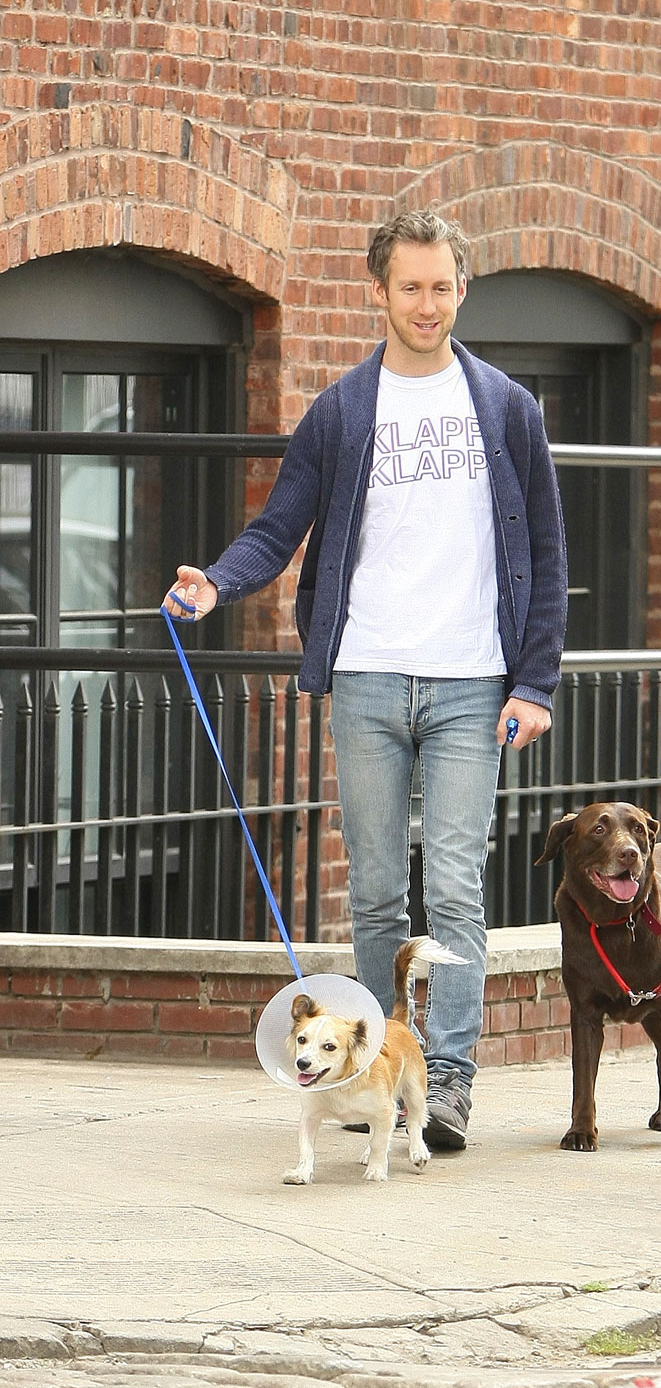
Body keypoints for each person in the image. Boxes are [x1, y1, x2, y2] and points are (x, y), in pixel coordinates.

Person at [163, 209, 568, 1151]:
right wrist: (216, 581)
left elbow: (547, 551)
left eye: (442, 286)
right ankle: (379, 1071)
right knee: (380, 893)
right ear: (377, 291)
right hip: (370, 676)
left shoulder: (507, 407)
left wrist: (534, 681)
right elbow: (281, 524)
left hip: (475, 680)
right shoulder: (344, 410)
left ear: (461, 291)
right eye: (410, 287)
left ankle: (453, 1080)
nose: (427, 304)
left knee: (457, 888)